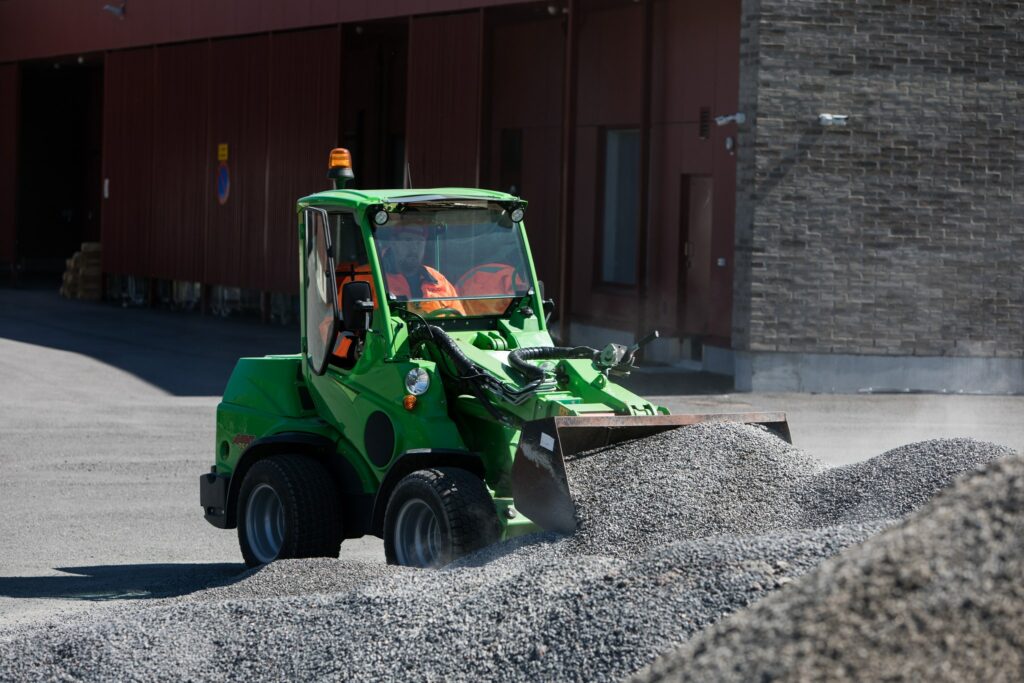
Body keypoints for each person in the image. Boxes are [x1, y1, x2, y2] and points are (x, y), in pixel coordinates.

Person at [380, 225, 465, 315]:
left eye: (419, 242)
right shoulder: (377, 277)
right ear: (393, 243)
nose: (414, 248)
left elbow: (460, 320)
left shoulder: (438, 280)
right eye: (408, 240)